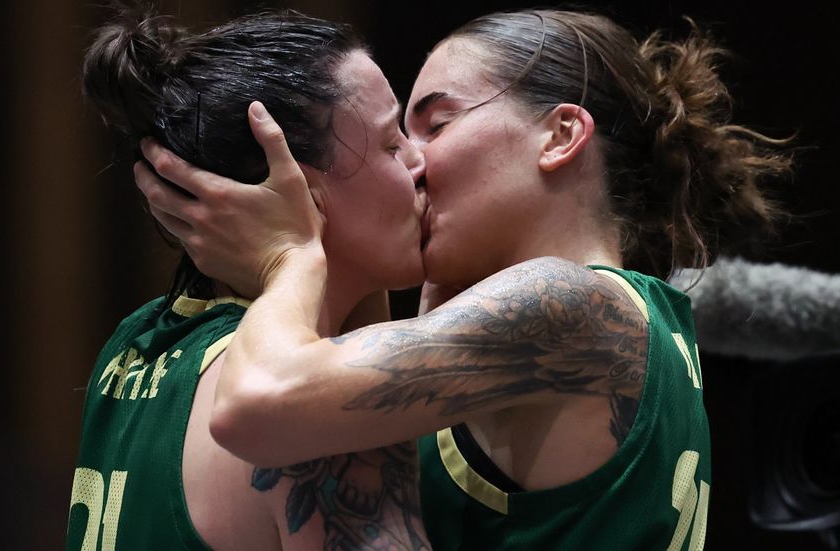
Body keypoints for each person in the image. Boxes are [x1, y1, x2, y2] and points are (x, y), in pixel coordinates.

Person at [136, 8, 794, 550]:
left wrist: (289, 255)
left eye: (437, 123)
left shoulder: (574, 308)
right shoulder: (594, 317)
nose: (410, 162)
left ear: (560, 134)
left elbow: (260, 404)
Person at [67, 4, 431, 550]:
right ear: (301, 196)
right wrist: (299, 253)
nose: (419, 161)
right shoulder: (314, 409)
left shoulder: (133, 343)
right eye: (390, 143)